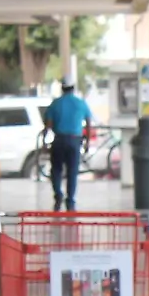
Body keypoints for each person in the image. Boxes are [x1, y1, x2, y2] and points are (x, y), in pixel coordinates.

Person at [43, 78, 92, 211]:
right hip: (74, 141)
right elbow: (88, 123)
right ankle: (70, 200)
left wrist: (44, 143)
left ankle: (58, 194)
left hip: (58, 140)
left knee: (56, 170)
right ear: (73, 88)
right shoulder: (81, 103)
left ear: (62, 88)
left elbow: (48, 125)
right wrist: (87, 142)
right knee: (72, 171)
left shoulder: (55, 104)